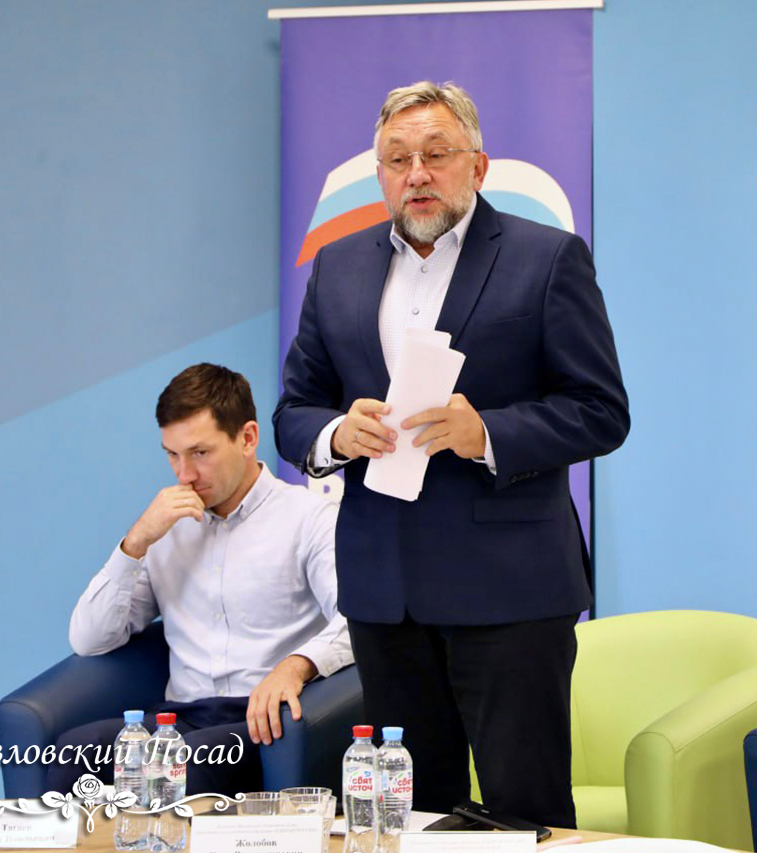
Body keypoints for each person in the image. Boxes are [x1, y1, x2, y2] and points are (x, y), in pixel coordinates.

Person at [273, 81, 628, 827]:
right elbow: (294, 411)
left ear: (478, 165)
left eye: (436, 154)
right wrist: (336, 434)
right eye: (398, 159)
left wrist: (488, 433)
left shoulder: (547, 258)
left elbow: (601, 411)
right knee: (406, 815)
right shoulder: (337, 266)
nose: (417, 174)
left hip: (510, 589)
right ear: (380, 174)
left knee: (525, 812)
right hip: (384, 589)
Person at [50, 363, 352, 795]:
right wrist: (135, 542)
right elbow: (89, 639)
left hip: (264, 720)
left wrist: (296, 666)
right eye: (172, 455)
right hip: (179, 718)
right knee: (72, 753)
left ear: (247, 438)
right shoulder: (164, 528)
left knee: (185, 763)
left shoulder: (310, 518)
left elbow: (355, 621)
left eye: (200, 453)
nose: (184, 474)